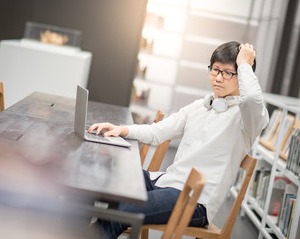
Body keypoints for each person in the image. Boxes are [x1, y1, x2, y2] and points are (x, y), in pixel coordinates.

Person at [88, 41, 269, 238]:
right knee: (103, 179)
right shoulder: (201, 106)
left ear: (241, 76)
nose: (218, 78)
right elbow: (157, 132)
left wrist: (245, 64)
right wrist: (121, 129)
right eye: (215, 70)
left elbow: (251, 98)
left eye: (227, 73)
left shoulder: (247, 118)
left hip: (195, 201)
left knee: (121, 210)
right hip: (167, 183)